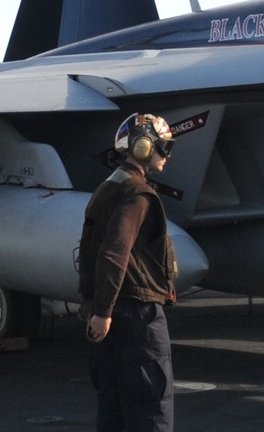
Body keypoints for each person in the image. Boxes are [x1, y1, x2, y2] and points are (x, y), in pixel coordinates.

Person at [78, 112, 180, 432]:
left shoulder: (110, 186)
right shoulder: (136, 193)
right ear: (142, 147)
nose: (166, 154)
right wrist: (104, 312)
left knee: (114, 411)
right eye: (162, 146)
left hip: (110, 314)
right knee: (152, 408)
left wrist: (99, 310)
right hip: (137, 317)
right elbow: (115, 251)